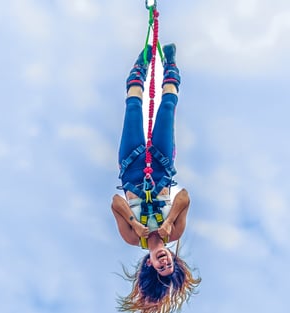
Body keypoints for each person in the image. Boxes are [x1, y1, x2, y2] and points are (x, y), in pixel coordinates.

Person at [111, 43, 201, 313]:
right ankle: (171, 65)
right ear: (172, 258)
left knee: (133, 106)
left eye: (160, 267)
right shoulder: (175, 231)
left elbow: (116, 201)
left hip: (131, 166)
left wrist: (134, 224)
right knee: (168, 107)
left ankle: (140, 65)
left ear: (150, 263)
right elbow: (184, 197)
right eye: (170, 264)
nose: (165, 263)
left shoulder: (132, 238)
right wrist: (169, 221)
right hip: (161, 165)